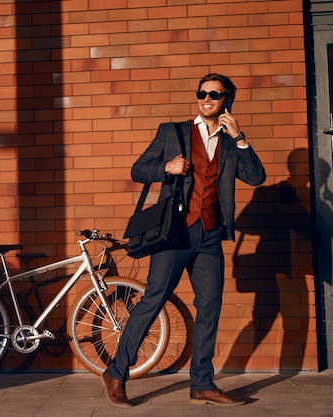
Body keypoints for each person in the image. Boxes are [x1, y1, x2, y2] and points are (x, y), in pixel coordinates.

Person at [102, 73, 266, 407]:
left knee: (210, 306)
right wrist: (167, 166)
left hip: (209, 235)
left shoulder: (232, 142)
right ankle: (116, 372)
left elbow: (256, 177)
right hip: (174, 233)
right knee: (153, 299)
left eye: (215, 94)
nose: (207, 99)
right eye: (202, 93)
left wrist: (241, 137)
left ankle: (202, 383)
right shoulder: (172, 132)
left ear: (227, 100)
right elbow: (138, 170)